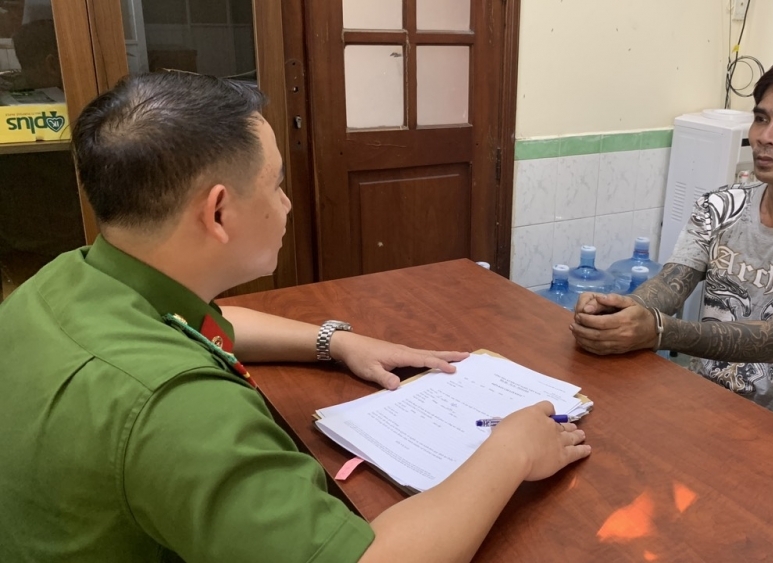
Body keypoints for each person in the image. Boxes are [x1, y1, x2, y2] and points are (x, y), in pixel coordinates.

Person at [0, 72, 590, 563]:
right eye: (276, 184)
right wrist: (511, 451)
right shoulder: (179, 408)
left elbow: (206, 323)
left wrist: (337, 341)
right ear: (218, 212)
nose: (285, 203)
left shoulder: (66, 279)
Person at [570, 50, 773, 445]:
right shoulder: (721, 206)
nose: (764, 137)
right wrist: (620, 312)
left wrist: (657, 330)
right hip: (702, 405)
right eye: (761, 118)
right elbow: (670, 286)